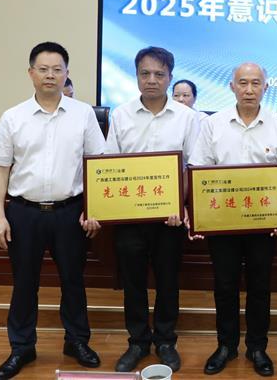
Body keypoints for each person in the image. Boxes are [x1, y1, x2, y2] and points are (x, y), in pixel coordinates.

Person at [0, 41, 105, 379]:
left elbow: (98, 164)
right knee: (25, 283)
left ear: (66, 74)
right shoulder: (13, 117)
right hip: (24, 212)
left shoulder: (83, 114)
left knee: (73, 281)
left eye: (57, 69)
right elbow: (0, 169)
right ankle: (22, 347)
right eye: (43, 69)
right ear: (31, 73)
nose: (50, 75)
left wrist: (94, 209)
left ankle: (77, 341)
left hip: (71, 212)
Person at [188, 62, 277, 377]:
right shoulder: (213, 124)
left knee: (260, 286)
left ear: (266, 87)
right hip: (222, 221)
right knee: (225, 285)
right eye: (242, 83)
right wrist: (200, 216)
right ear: (231, 86)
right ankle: (226, 346)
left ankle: (257, 347)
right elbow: (198, 170)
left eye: (255, 83)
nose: (249, 89)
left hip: (264, 222)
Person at [105, 47, 199, 373]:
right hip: (130, 217)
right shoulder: (121, 115)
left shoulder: (188, 118)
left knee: (168, 280)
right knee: (132, 281)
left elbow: (191, 168)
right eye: (145, 73)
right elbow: (109, 166)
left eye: (159, 74)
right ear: (136, 76)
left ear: (170, 78)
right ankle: (137, 341)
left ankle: (166, 340)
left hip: (169, 218)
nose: (152, 80)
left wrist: (180, 205)